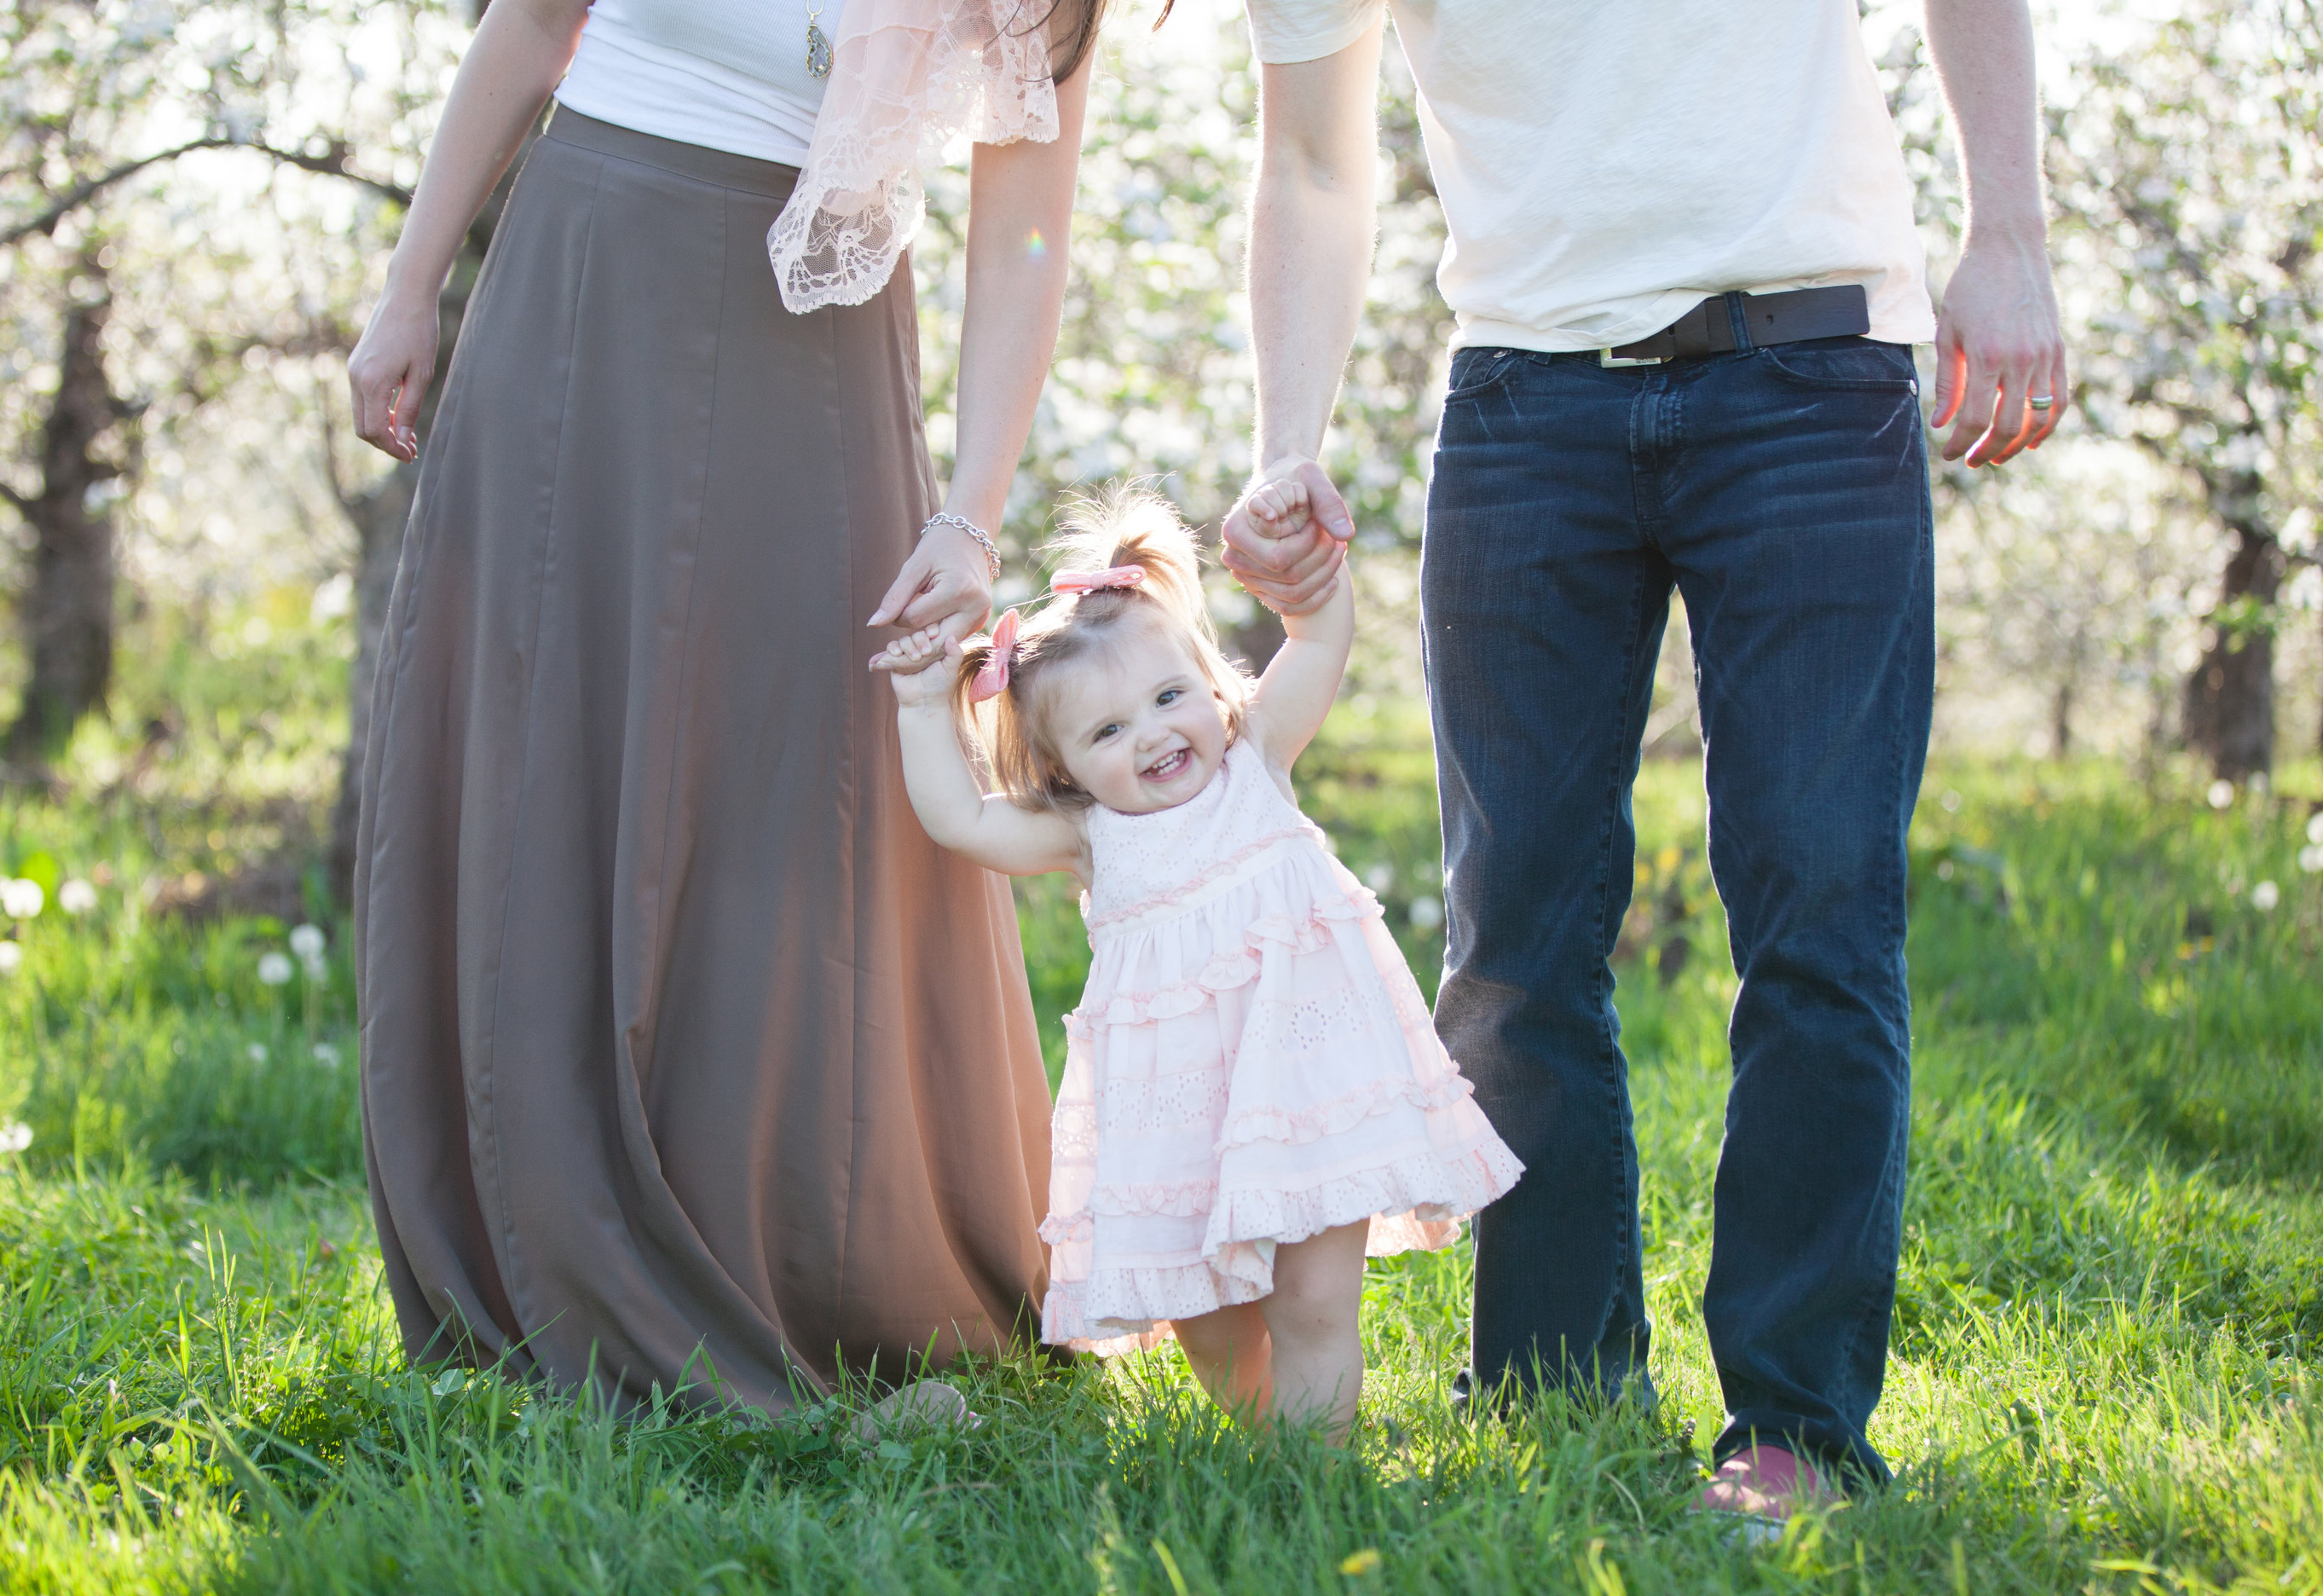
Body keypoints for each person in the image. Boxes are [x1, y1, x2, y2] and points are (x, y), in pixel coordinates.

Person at [1216, 0, 2066, 1518]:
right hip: (1521, 399)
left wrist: (2007, 229)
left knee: (1819, 909)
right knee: (1514, 934)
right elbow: (1313, 166)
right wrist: (1288, 438)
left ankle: (1796, 1429)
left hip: (1812, 368)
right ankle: (1553, 1397)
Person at [342, 0, 1103, 1414]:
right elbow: (529, 32)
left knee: (799, 776)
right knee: (548, 737)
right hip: (580, 287)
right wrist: (408, 292)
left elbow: (1025, 232)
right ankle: (536, 1225)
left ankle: (807, 1254)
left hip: (816, 341)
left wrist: (971, 518)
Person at [869, 487, 1521, 1437]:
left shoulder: (1256, 760)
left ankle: (1318, 1476)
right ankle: (1263, 1443)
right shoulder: (1090, 835)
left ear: (1212, 687)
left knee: (1310, 1303)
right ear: (1064, 771)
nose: (1153, 735)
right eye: (1108, 732)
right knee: (1209, 1330)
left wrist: (1307, 570)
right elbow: (960, 819)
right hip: (1172, 1123)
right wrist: (924, 704)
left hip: (1307, 1094)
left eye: (1169, 698)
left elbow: (1317, 642)